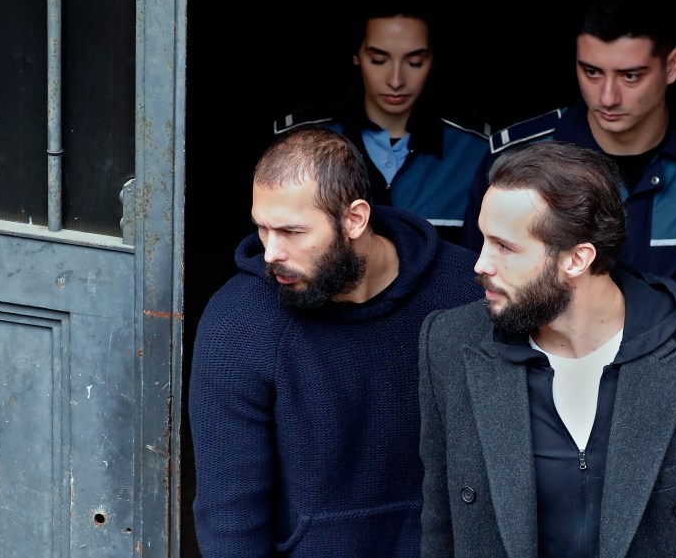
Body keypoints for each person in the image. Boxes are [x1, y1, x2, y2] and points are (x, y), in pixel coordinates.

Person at [418, 140, 676, 557]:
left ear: (576, 259)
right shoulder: (449, 343)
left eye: (505, 247)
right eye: (483, 240)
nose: (480, 264)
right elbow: (440, 516)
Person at [189, 126, 482, 556]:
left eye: (292, 232)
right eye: (262, 229)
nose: (270, 253)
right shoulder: (239, 321)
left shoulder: (467, 291)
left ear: (355, 219)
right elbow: (229, 516)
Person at [460, 0, 676, 340]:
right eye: (592, 72)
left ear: (672, 65)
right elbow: (477, 289)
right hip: (544, 384)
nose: (608, 97)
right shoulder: (517, 156)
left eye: (631, 76)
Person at [273, 0, 493, 245]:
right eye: (379, 60)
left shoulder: (474, 149)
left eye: (414, 62)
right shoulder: (300, 142)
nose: (396, 80)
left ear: (432, 60)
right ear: (356, 55)